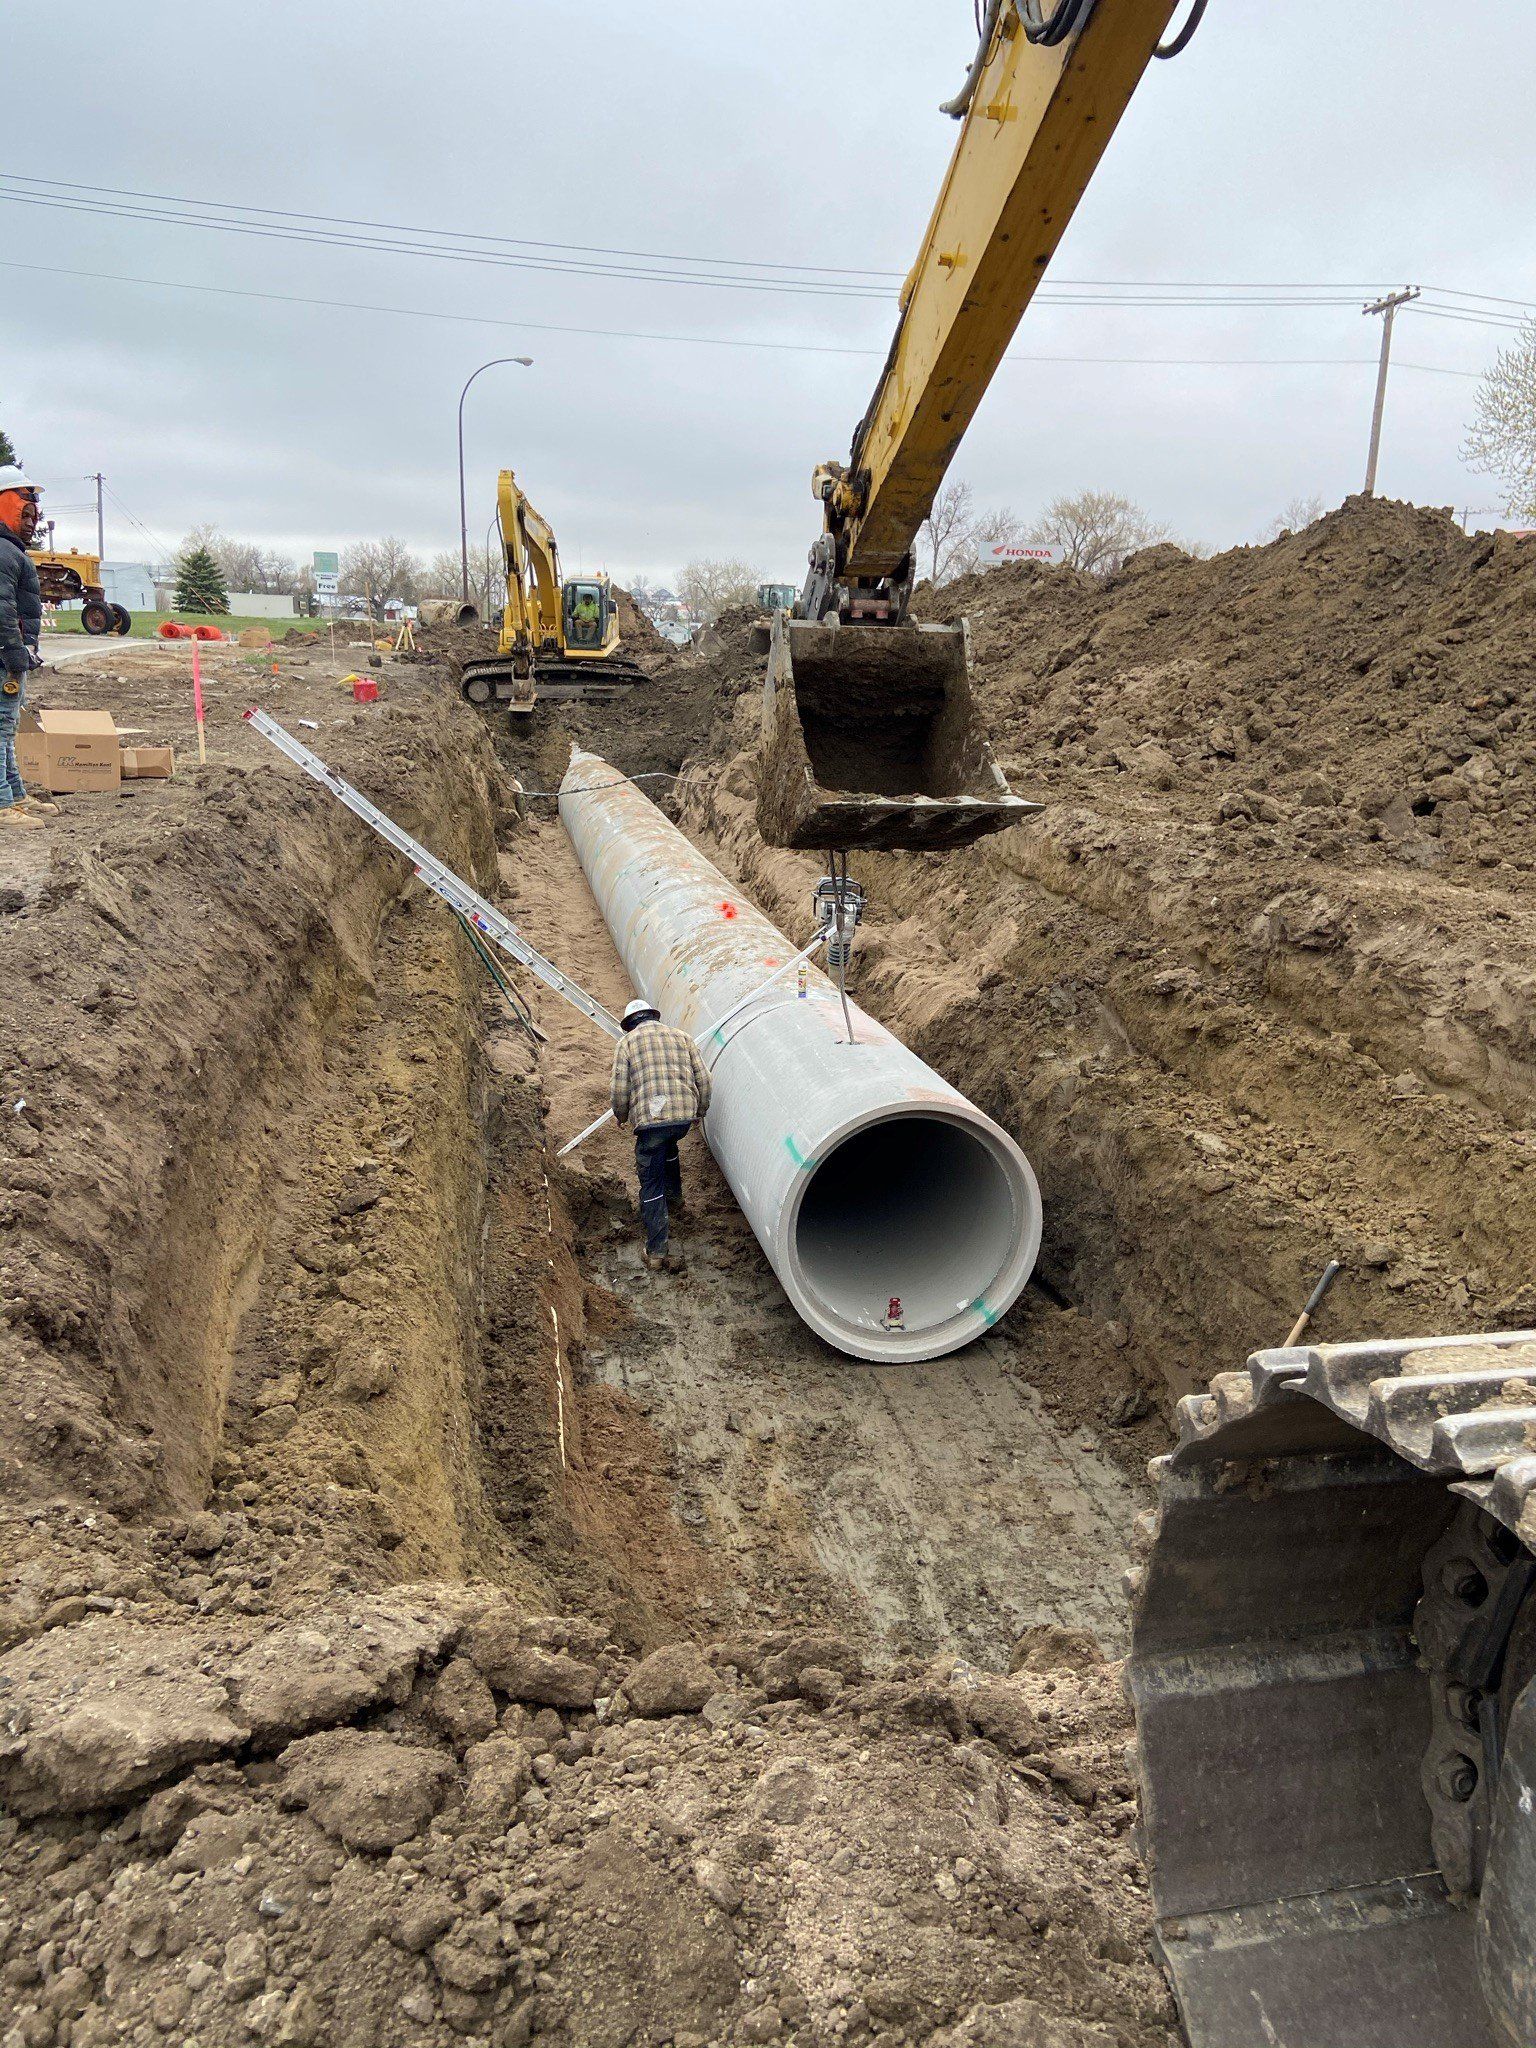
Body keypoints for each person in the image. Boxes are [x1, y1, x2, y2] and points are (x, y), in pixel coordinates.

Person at [609, 998, 712, 1272]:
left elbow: (620, 1089)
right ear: (654, 1017)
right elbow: (704, 1079)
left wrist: (620, 1116)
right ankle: (676, 1201)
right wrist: (700, 1109)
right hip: (682, 1117)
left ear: (630, 1025)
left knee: (650, 1179)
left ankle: (655, 1252)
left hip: (651, 1122)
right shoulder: (682, 1037)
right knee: (669, 1147)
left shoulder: (627, 1044)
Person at [0, 466, 53, 831]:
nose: (32, 522)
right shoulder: (3, 552)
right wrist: (14, 650)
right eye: (26, 513)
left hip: (14, 654)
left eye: (35, 515)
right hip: (6, 655)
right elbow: (2, 607)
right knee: (0, 727)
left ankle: (14, 795)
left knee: (7, 726)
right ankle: (2, 804)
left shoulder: (11, 551)